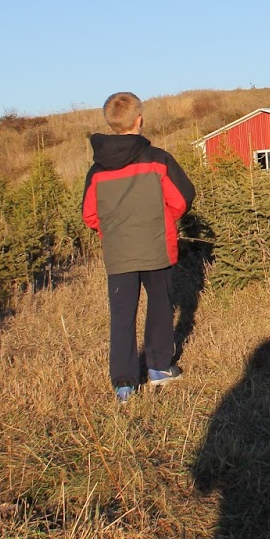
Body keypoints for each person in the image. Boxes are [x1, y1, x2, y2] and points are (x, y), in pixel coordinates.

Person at [81, 91, 197, 405]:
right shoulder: (158, 159)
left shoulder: (98, 170)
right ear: (140, 120)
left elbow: (89, 214)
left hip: (119, 253)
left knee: (122, 316)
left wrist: (115, 231)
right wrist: (163, 219)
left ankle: (124, 384)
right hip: (157, 246)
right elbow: (183, 198)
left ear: (110, 122)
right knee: (160, 306)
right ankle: (159, 368)